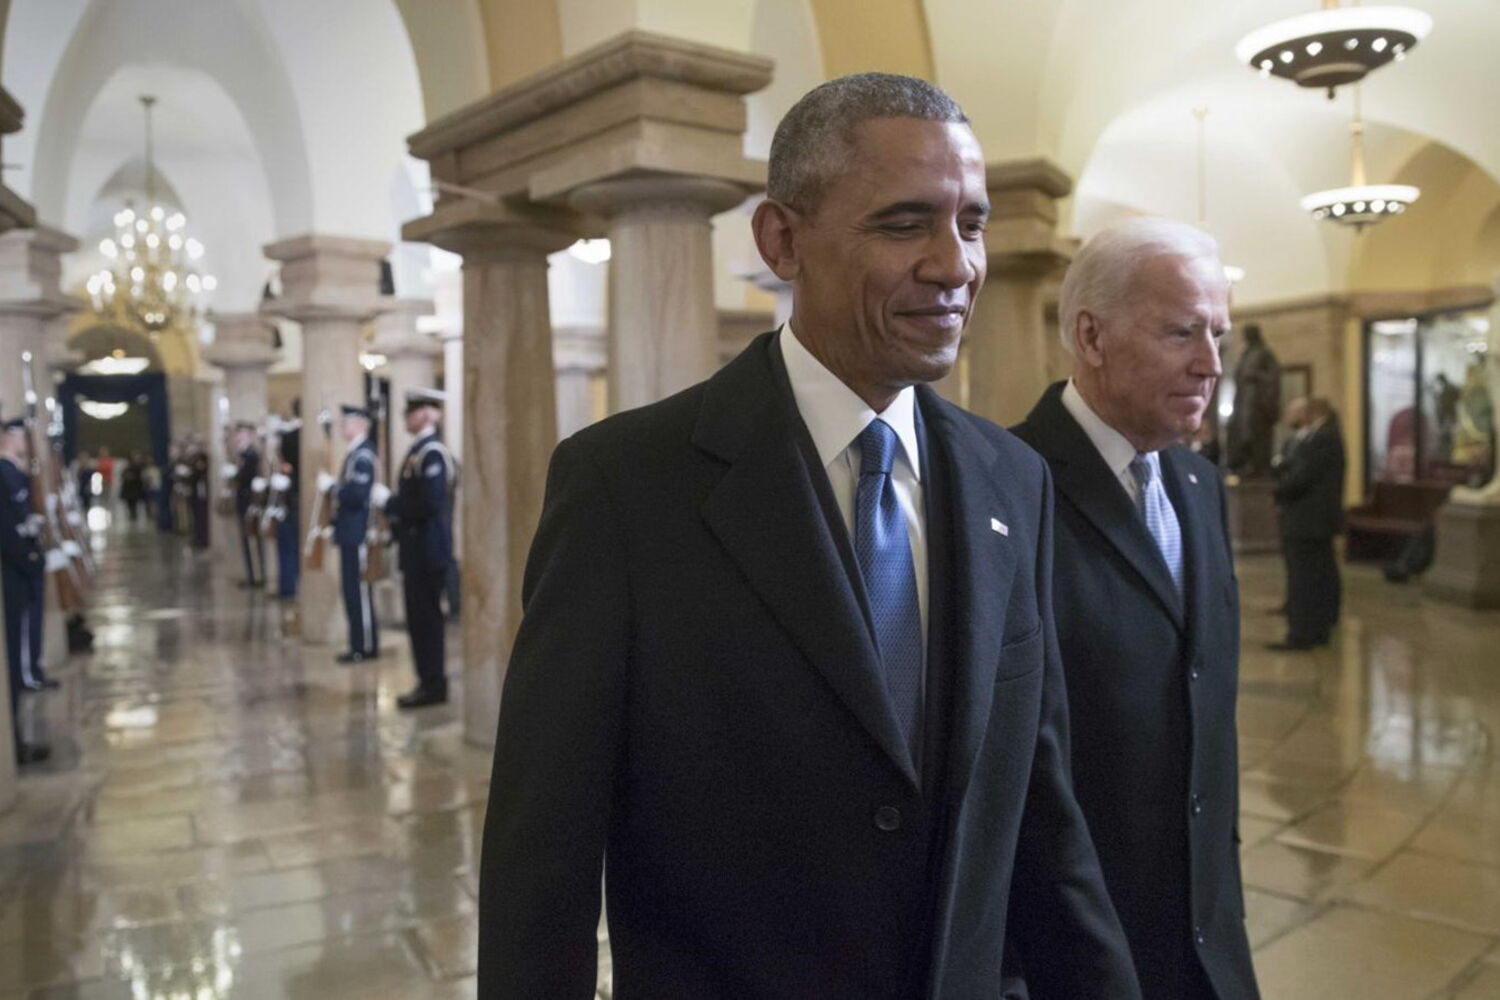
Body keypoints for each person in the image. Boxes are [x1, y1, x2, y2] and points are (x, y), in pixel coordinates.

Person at [479, 73, 1140, 999]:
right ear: (782, 240)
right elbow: (541, 860)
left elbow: (1039, 812)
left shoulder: (1011, 478)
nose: (955, 266)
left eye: (973, 224)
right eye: (905, 224)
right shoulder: (626, 486)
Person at [1012, 217, 1259, 999]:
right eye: (1182, 332)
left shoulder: (1198, 486)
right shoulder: (1006, 483)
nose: (1210, 363)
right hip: (1076, 951)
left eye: (1218, 335)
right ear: (1091, 336)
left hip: (1207, 942)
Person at [382, 389, 455, 709]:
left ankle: (433, 684)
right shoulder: (419, 451)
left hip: (428, 548)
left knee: (426, 621)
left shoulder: (432, 453)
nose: (405, 418)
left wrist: (391, 503)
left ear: (426, 415)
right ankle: (426, 680)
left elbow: (430, 502)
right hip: (416, 548)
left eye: (411, 412)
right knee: (418, 620)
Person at [1271, 397, 1345, 650]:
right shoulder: (1323, 436)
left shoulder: (1323, 438)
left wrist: (1278, 490)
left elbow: (1302, 477)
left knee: (1305, 578)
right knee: (1314, 574)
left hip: (1308, 519)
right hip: (1312, 519)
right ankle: (1317, 628)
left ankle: (1302, 633)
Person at [1, 417, 53, 765]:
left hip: (21, 568)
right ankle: (14, 743)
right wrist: (33, 560)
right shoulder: (4, 473)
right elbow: (9, 531)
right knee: (16, 652)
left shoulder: (13, 471)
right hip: (15, 573)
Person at [318, 405, 378, 663]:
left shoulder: (363, 455)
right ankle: (357, 644)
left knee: (359, 593)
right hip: (349, 532)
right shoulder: (354, 454)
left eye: (348, 422)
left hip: (358, 533)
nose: (343, 426)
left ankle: (364, 646)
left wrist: (333, 487)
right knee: (351, 591)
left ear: (363, 425)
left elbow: (357, 495)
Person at [1225, 324, 1280, 478]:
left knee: (1256, 434)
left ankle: (1257, 467)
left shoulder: (1264, 353)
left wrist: (1255, 375)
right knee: (1240, 433)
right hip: (1243, 401)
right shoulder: (1245, 354)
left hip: (1257, 403)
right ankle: (1243, 464)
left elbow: (1273, 377)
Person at [230, 423, 266, 588]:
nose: (239, 438)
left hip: (249, 502)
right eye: (238, 434)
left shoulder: (251, 455)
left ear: (250, 437)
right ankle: (251, 575)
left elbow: (247, 479)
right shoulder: (241, 455)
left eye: (243, 435)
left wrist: (236, 474)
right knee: (246, 540)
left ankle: (256, 576)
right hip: (243, 502)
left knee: (252, 539)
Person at [270, 416, 301, 600]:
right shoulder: (291, 436)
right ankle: (287, 586)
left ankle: (289, 587)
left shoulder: (293, 437)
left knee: (290, 548)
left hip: (293, 503)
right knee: (286, 547)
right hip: (287, 503)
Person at [120, 452, 147, 523]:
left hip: (135, 488)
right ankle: (132, 514)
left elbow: (139, 476)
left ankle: (134, 514)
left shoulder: (138, 467)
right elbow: (122, 475)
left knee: (134, 503)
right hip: (128, 488)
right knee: (130, 503)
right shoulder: (126, 467)